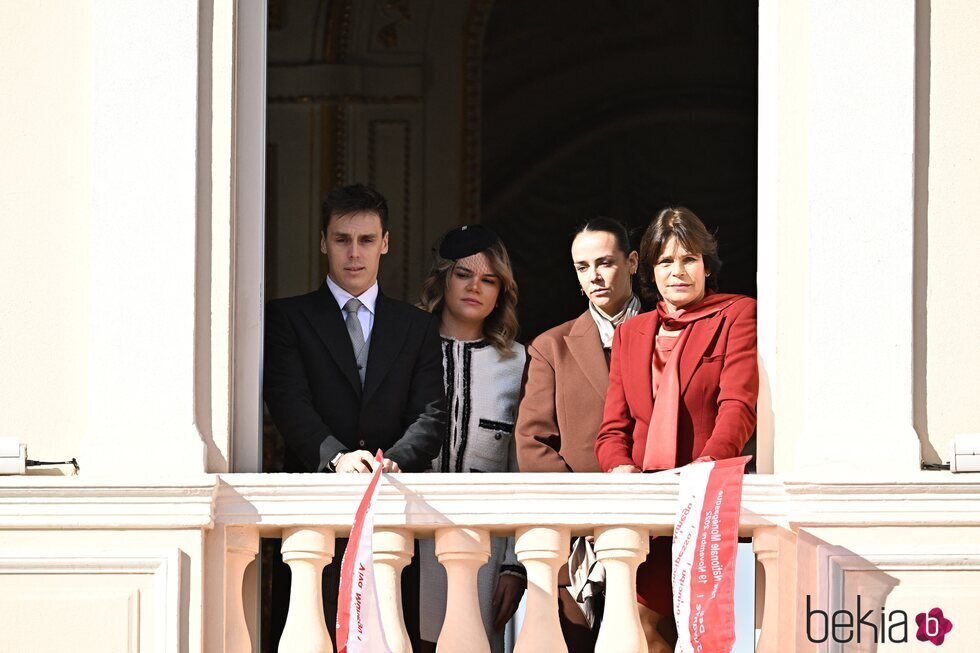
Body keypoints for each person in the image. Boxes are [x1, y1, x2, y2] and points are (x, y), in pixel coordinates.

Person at [263, 183, 446, 646]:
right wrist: (336, 457)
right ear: (324, 241)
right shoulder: (287, 318)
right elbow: (287, 402)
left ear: (385, 243)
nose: (354, 253)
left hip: (390, 513)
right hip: (312, 515)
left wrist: (395, 459)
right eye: (342, 239)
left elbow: (431, 413)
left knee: (389, 637)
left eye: (366, 240)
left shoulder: (417, 325)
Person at [594, 207, 758, 653]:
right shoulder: (631, 333)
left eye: (688, 259)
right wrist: (620, 469)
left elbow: (738, 405)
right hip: (647, 513)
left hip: (706, 503)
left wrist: (707, 466)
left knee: (703, 632)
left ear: (707, 264)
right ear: (650, 270)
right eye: (665, 262)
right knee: (646, 630)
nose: (678, 271)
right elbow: (612, 430)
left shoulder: (737, 315)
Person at [515, 217, 641, 651]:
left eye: (605, 262)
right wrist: (588, 512)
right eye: (583, 266)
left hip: (654, 533)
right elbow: (532, 445)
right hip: (576, 548)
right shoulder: (552, 346)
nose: (595, 276)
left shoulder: (671, 335)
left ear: (633, 262)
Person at [415, 225, 527, 653]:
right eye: (464, 274)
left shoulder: (518, 361)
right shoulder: (406, 346)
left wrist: (515, 566)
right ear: (443, 278)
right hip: (411, 543)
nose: (475, 287)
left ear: (502, 290)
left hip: (486, 548)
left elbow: (521, 468)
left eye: (489, 279)